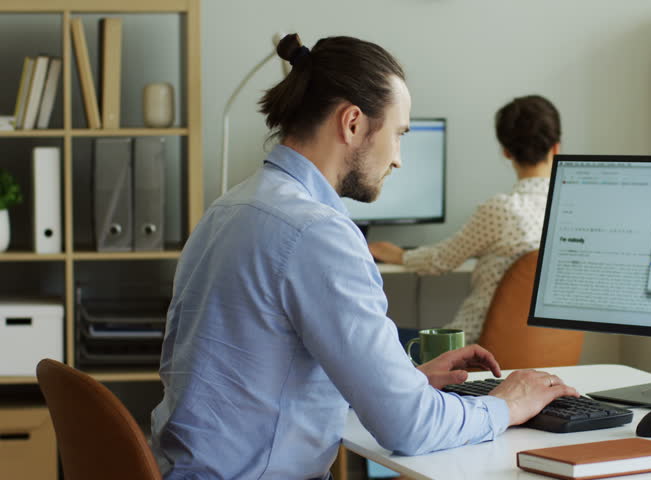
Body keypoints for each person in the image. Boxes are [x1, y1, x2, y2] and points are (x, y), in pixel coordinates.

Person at [149, 34, 577, 480]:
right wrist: (506, 405)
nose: (398, 160)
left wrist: (401, 382)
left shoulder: (228, 208)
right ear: (352, 123)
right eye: (399, 134)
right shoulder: (319, 234)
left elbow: (257, 374)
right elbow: (410, 428)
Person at [369, 95, 561, 345]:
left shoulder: (503, 210)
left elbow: (440, 261)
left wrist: (397, 254)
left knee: (376, 341)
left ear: (505, 151)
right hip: (543, 352)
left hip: (472, 348)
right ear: (556, 147)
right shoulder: (569, 213)